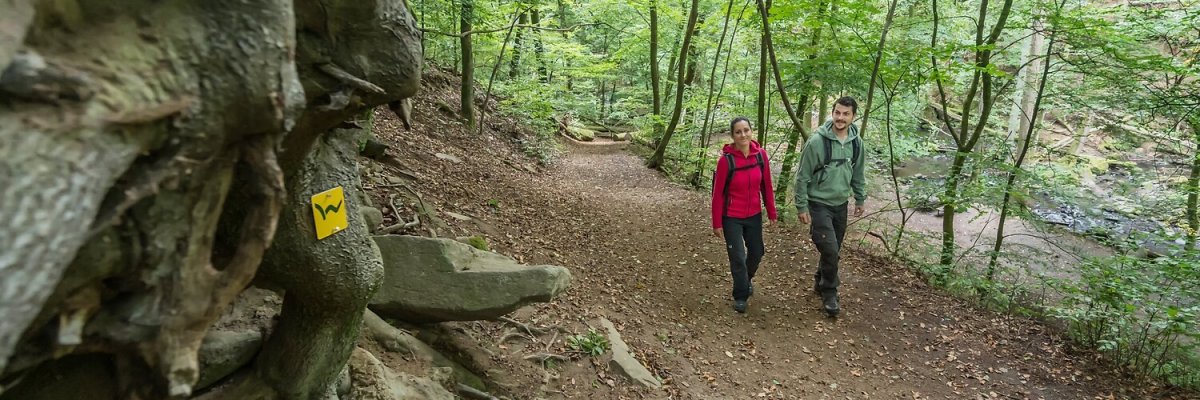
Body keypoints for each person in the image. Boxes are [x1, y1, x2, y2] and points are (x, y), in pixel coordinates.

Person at [794, 96, 866, 318]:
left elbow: (858, 173)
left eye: (845, 114)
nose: (840, 117)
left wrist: (860, 198)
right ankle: (830, 292)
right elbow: (802, 177)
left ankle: (820, 279)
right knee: (831, 249)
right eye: (837, 112)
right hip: (818, 204)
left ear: (853, 117)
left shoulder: (856, 143)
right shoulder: (817, 142)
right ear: (832, 113)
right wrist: (801, 206)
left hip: (840, 205)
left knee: (832, 250)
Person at [712, 117, 779, 314]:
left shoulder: (761, 156)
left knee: (757, 252)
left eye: (746, 130)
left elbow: (766, 186)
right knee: (738, 257)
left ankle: (745, 280)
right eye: (738, 132)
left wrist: (772, 212)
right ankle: (741, 295)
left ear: (751, 131)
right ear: (733, 136)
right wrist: (717, 223)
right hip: (731, 216)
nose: (743, 135)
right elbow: (718, 195)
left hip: (754, 215)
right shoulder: (726, 161)